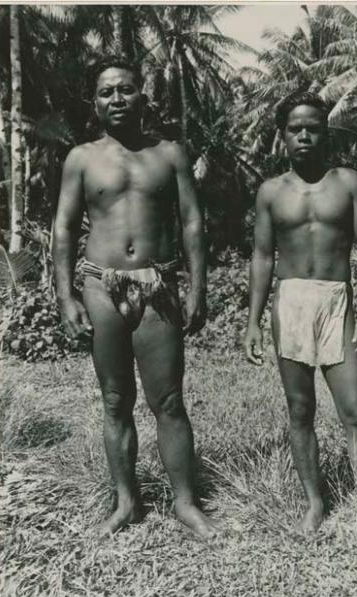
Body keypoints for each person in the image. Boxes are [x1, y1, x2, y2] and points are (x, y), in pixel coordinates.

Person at [53, 56, 218, 539]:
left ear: (144, 96)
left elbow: (192, 223)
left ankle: (186, 504)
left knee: (168, 400)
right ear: (95, 103)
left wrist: (198, 288)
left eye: (126, 89)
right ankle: (127, 503)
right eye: (107, 92)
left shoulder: (169, 154)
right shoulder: (81, 159)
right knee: (114, 400)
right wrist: (66, 296)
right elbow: (63, 229)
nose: (117, 99)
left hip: (158, 286)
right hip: (100, 285)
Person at [244, 91, 357, 550]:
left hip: (338, 301)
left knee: (356, 411)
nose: (305, 135)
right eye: (295, 128)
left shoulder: (348, 183)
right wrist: (253, 321)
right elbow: (260, 256)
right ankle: (316, 502)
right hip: (289, 300)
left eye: (313, 126)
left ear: (325, 130)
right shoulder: (271, 192)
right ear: (283, 136)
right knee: (300, 410)